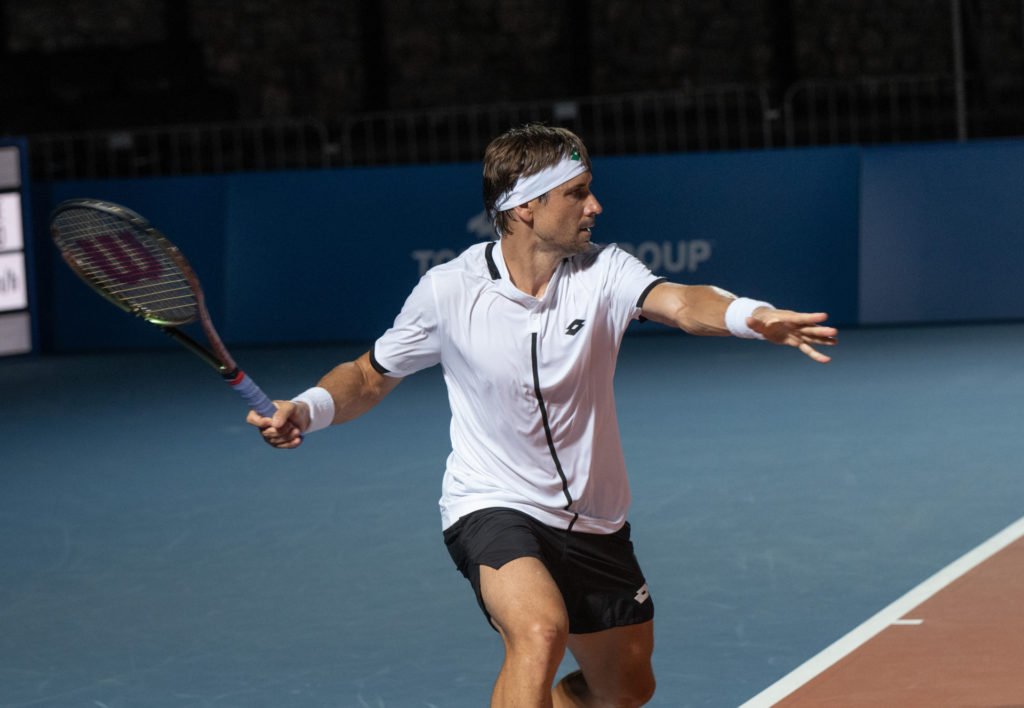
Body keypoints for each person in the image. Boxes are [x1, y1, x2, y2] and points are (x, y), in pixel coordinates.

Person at [247, 124, 836, 707]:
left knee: (627, 689)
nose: (595, 206)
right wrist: (307, 407)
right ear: (527, 206)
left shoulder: (605, 272)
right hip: (493, 503)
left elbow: (682, 301)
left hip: (596, 521)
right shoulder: (448, 291)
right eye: (577, 192)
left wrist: (751, 315)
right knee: (538, 632)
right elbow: (369, 375)